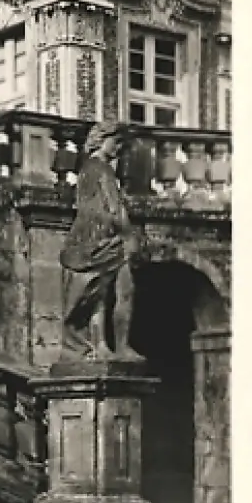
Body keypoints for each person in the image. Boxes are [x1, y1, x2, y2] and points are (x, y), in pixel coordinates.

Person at [58, 121, 143, 363]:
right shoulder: (102, 169)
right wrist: (129, 235)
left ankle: (102, 345)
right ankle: (119, 346)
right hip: (106, 238)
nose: (118, 147)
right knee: (123, 290)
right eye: (115, 141)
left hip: (93, 237)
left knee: (100, 294)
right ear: (101, 140)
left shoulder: (87, 169)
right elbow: (115, 209)